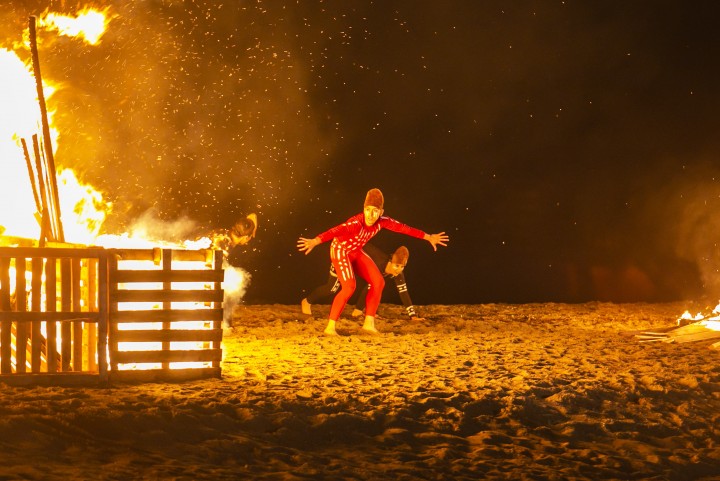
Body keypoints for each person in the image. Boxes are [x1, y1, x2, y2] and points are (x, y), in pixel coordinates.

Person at [297, 188, 448, 335]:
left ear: (381, 213)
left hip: (356, 250)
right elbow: (336, 230)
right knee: (348, 287)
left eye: (375, 211)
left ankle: (369, 324)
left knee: (379, 282)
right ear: (363, 209)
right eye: (368, 210)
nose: (371, 214)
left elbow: (404, 228)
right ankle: (330, 327)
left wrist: (428, 237)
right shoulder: (356, 223)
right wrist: (316, 240)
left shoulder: (383, 222)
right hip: (340, 251)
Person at [301, 243, 424, 320]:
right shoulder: (379, 263)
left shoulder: (397, 273)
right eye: (397, 266)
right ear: (391, 261)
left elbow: (403, 292)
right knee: (331, 288)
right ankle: (307, 301)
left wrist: (412, 315)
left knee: (374, 285)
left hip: (357, 266)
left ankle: (358, 311)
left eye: (402, 267)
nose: (399, 270)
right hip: (346, 258)